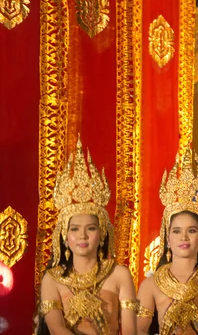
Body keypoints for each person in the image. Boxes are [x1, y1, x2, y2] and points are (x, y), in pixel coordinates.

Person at [38, 138, 137, 334]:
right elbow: (57, 329)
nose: (82, 236)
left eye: (91, 228)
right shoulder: (52, 278)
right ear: (65, 237)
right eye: (74, 229)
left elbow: (129, 331)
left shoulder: (119, 275)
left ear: (102, 234)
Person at [136, 147, 198, 335]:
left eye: (191, 230)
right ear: (167, 239)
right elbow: (139, 330)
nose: (184, 238)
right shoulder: (150, 285)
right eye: (176, 231)